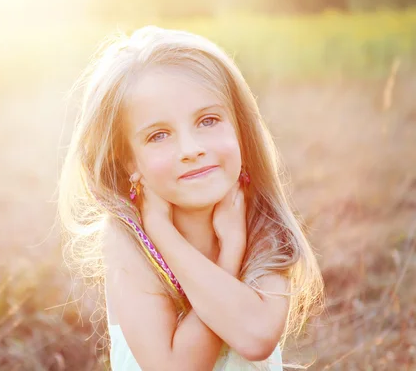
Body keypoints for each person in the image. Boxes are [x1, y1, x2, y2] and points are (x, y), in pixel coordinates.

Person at [58, 26, 324, 370]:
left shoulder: (262, 222)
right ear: (128, 162)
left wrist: (235, 244)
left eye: (208, 120)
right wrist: (198, 245)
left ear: (241, 129)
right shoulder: (127, 239)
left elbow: (256, 336)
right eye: (159, 135)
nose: (191, 149)